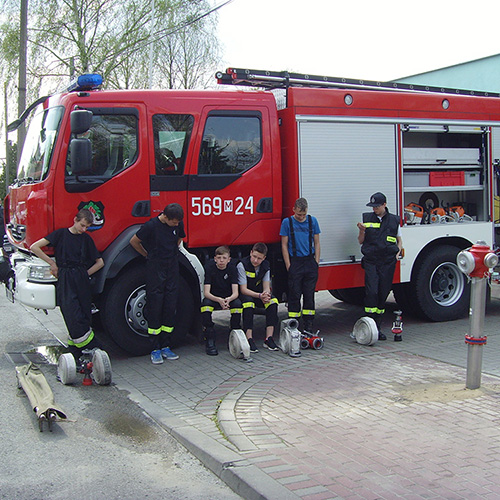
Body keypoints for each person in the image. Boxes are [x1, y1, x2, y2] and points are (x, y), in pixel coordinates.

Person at [30, 209, 104, 358]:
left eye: (87, 227)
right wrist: (52, 263)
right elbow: (34, 247)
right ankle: (90, 346)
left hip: (81, 277)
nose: (84, 230)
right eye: (82, 225)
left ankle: (75, 353)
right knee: (71, 313)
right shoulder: (60, 234)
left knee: (84, 314)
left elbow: (100, 262)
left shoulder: (86, 239)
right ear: (75, 220)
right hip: (65, 277)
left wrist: (85, 274)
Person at [129, 203, 185, 364]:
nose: (176, 224)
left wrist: (174, 249)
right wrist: (147, 255)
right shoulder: (151, 226)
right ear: (165, 217)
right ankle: (155, 348)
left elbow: (180, 237)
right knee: (155, 305)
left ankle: (166, 345)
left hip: (172, 265)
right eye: (174, 222)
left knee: (170, 304)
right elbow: (134, 241)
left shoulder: (177, 223)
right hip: (155, 267)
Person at [357, 192, 403, 340]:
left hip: (388, 262)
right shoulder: (367, 219)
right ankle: (368, 326)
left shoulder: (394, 220)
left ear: (384, 205)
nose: (374, 209)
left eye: (377, 206)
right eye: (372, 207)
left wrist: (398, 252)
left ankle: (378, 327)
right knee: (371, 293)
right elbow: (360, 241)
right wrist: (361, 231)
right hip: (371, 261)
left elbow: (399, 239)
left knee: (383, 293)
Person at [280, 197, 321, 334]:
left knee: (309, 295)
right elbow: (284, 245)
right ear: (294, 210)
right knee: (294, 295)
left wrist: (316, 262)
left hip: (309, 262)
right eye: (298, 214)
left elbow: (317, 242)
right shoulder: (287, 223)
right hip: (295, 262)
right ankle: (294, 326)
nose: (301, 217)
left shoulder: (312, 221)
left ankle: (309, 326)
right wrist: (288, 265)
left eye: (303, 214)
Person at [237, 242, 279, 352]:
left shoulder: (266, 266)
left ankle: (269, 338)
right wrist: (260, 295)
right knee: (248, 304)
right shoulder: (242, 265)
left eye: (259, 258)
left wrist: (266, 295)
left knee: (273, 302)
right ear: (251, 253)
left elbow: (266, 286)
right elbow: (243, 289)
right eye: (254, 256)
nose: (255, 260)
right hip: (246, 294)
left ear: (264, 258)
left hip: (259, 294)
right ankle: (249, 338)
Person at [201, 246, 242, 356]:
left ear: (229, 259)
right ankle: (209, 339)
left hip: (229, 297)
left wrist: (228, 299)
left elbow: (235, 293)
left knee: (238, 305)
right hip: (214, 297)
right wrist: (218, 300)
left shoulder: (232, 269)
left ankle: (234, 333)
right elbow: (206, 293)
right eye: (219, 258)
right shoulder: (209, 268)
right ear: (214, 259)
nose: (221, 261)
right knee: (205, 306)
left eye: (224, 258)